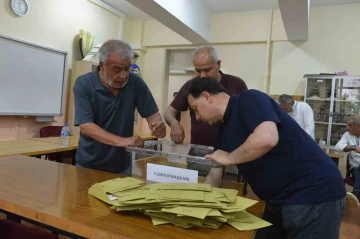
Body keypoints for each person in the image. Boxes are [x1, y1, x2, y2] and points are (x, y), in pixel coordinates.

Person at [187, 77, 346, 239]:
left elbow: (267, 138)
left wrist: (229, 157)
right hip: (277, 200)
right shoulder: (222, 132)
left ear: (207, 97)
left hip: (312, 192)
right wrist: (197, 205)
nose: (197, 117)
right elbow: (215, 173)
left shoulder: (249, 99)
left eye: (195, 109)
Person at [73, 39, 166, 175]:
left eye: (127, 69)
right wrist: (123, 141)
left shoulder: (136, 83)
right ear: (101, 65)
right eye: (116, 69)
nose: (123, 75)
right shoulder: (84, 84)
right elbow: (86, 125)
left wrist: (157, 125)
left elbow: (152, 115)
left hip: (122, 166)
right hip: (88, 165)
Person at [164, 45, 247, 176]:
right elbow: (170, 112)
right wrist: (174, 124)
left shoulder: (237, 84)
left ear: (218, 64)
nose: (202, 76)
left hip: (231, 155)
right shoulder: (190, 86)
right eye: (198, 71)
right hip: (200, 154)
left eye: (207, 70)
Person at [335, 115, 360, 207]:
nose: (347, 128)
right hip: (355, 168)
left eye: (350, 125)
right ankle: (357, 194)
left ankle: (357, 194)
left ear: (359, 126)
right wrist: (354, 147)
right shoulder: (347, 135)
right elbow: (338, 147)